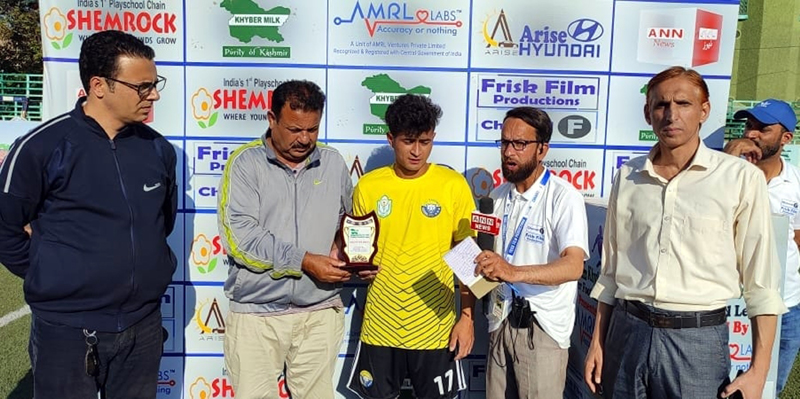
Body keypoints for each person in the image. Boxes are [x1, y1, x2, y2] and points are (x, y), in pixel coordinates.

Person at [584, 66, 786, 399]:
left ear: (704, 111)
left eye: (683, 103)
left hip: (697, 341)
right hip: (627, 332)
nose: (671, 114)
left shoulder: (739, 179)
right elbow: (611, 272)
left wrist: (759, 370)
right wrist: (598, 343)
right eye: (661, 105)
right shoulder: (628, 176)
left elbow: (761, 282)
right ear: (648, 113)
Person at [0, 30, 176, 398]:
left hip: (142, 326)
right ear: (99, 85)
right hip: (66, 331)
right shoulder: (41, 147)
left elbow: (162, 222)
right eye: (143, 86)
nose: (154, 95)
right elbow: (5, 226)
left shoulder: (158, 150)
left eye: (155, 83)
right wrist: (49, 272)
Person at [218, 80, 352, 399]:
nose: (304, 139)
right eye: (294, 129)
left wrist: (352, 254)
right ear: (272, 119)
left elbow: (350, 225)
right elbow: (241, 239)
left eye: (312, 129)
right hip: (256, 315)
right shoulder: (245, 163)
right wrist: (305, 260)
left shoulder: (333, 163)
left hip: (319, 310)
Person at [346, 94, 476, 399]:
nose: (417, 151)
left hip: (435, 331)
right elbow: (359, 252)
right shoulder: (368, 186)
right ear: (391, 139)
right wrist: (359, 266)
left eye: (425, 141)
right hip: (380, 327)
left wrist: (467, 318)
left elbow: (469, 259)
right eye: (408, 141)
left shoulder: (452, 185)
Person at [473, 107, 589, 398]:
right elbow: (487, 263)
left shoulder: (564, 196)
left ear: (542, 150)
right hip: (499, 320)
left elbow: (573, 266)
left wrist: (511, 271)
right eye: (504, 142)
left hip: (542, 329)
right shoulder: (496, 198)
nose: (509, 152)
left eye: (520, 144)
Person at [724, 99, 800, 395]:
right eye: (749, 125)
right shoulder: (724, 173)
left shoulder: (796, 182)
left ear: (786, 138)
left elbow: (796, 237)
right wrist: (728, 163)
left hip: (787, 303)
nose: (751, 134)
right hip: (730, 302)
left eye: (762, 129)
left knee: (770, 388)